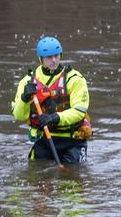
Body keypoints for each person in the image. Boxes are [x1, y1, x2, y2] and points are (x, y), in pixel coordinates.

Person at [12, 36, 92, 164]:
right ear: (41, 59)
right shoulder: (27, 82)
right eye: (49, 57)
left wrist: (55, 117)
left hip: (72, 141)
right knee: (38, 177)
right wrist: (24, 99)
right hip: (44, 140)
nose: (54, 60)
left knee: (72, 178)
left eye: (56, 56)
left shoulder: (74, 79)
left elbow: (79, 111)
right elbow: (19, 115)